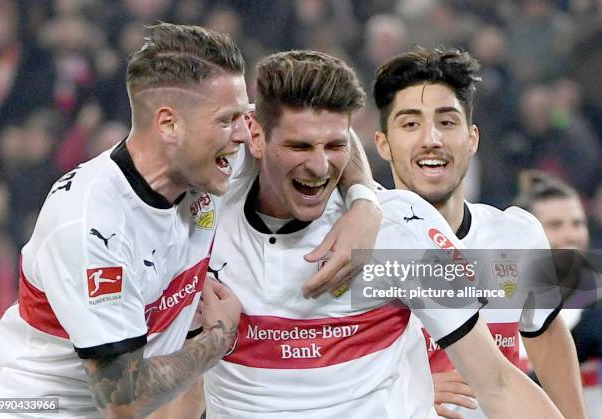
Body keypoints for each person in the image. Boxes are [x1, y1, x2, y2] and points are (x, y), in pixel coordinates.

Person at [0, 23, 381, 418]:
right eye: (228, 120)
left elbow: (322, 133)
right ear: (168, 125)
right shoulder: (92, 225)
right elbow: (125, 400)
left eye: (243, 116)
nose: (244, 135)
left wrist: (365, 205)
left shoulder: (207, 156)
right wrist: (218, 338)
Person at [162, 49, 563, 418]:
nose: (319, 167)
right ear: (256, 138)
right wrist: (209, 341)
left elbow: (498, 381)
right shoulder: (200, 211)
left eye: (334, 145)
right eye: (299, 146)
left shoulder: (400, 231)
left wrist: (364, 201)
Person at [372, 46, 586, 419]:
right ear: (383, 144)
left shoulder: (516, 236)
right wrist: (408, 389)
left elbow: (547, 337)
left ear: (472, 139)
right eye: (410, 124)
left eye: (447, 122)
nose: (431, 139)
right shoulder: (359, 244)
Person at [515, 170, 601, 418]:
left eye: (577, 223)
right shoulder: (499, 307)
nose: (570, 235)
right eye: (555, 225)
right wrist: (574, 347)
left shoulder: (597, 301)